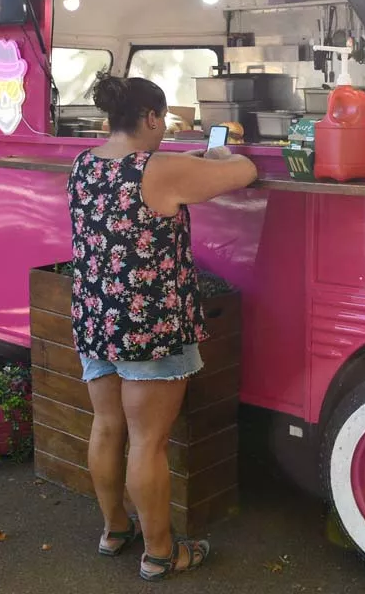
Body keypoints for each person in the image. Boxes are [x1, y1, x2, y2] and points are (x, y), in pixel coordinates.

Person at [66, 74, 257, 581]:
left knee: (107, 426)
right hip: (149, 326)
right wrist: (215, 157)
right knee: (148, 441)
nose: (164, 130)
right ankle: (159, 554)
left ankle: (114, 531)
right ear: (150, 118)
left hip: (96, 316)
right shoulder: (158, 169)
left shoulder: (84, 164)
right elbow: (245, 170)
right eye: (162, 121)